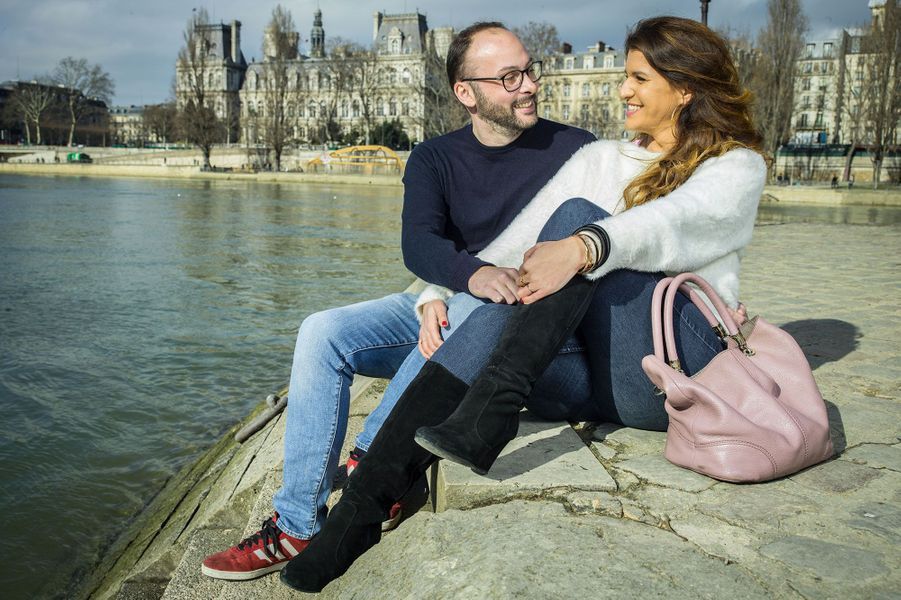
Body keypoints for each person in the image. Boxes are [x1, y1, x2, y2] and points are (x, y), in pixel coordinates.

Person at [278, 15, 767, 593]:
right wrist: (438, 293)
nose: (622, 90)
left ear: (684, 89)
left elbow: (670, 225)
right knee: (517, 277)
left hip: (673, 366)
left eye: (638, 78)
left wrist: (587, 245)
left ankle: (489, 412)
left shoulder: (735, 166)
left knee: (575, 224)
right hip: (594, 377)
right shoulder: (603, 159)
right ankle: (359, 513)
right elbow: (513, 250)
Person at [200, 22, 594, 581]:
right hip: (457, 300)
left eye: (530, 70)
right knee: (322, 330)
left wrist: (461, 291)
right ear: (465, 93)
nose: (529, 85)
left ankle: (370, 464)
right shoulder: (434, 156)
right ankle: (295, 525)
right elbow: (421, 244)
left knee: (457, 315)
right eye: (510, 77)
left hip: (521, 333)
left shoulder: (577, 151)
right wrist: (454, 283)